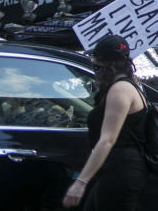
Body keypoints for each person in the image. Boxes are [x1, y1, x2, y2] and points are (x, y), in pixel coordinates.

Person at [62, 34, 147, 210]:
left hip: (120, 171)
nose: (95, 66)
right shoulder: (128, 86)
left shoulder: (120, 90)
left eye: (97, 63)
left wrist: (80, 182)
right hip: (115, 170)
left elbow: (108, 139)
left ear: (107, 64)